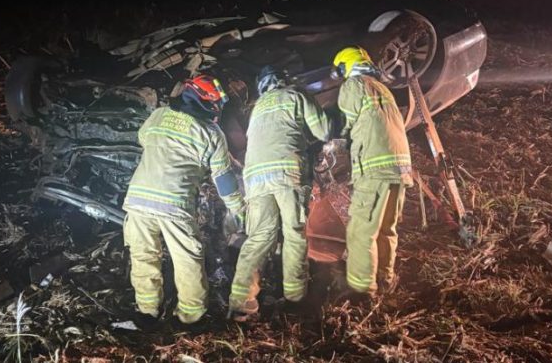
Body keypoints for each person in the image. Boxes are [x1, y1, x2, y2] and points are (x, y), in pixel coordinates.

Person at [122, 75, 245, 328]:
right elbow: (224, 181)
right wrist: (238, 209)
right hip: (173, 204)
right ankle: (190, 317)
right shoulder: (212, 133)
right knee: (187, 257)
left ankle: (147, 312)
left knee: (143, 255)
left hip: (137, 199)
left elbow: (143, 139)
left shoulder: (158, 116)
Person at [228, 65, 332, 321]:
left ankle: (241, 303)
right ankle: (296, 300)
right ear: (282, 80)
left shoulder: (257, 109)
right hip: (286, 172)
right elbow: (324, 131)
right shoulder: (294, 94)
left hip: (254, 179)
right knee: (293, 233)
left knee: (258, 237)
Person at [330, 46, 412, 300]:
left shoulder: (354, 85)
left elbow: (347, 124)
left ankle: (361, 291)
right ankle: (385, 280)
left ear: (345, 66)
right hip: (400, 168)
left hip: (375, 167)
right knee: (387, 228)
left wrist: (335, 142)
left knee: (361, 231)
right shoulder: (382, 88)